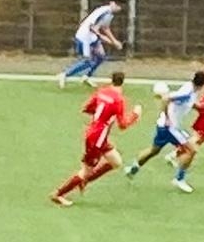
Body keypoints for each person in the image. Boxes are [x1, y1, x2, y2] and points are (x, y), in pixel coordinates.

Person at [50, 71, 141, 206]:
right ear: (123, 83)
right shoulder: (119, 100)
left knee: (116, 162)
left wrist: (102, 115)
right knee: (85, 171)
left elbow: (87, 108)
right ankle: (58, 194)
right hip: (97, 138)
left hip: (97, 134)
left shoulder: (102, 92)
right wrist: (135, 115)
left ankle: (85, 180)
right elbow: (122, 125)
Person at [124, 72, 204, 192]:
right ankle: (179, 179)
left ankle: (133, 168)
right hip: (170, 128)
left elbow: (186, 101)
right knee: (192, 149)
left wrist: (200, 107)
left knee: (154, 150)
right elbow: (166, 98)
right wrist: (167, 118)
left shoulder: (190, 89)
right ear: (201, 85)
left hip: (164, 126)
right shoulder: (187, 92)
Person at [58, 0, 125, 87]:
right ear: (111, 3)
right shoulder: (103, 11)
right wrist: (109, 40)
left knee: (101, 57)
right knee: (88, 61)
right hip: (85, 38)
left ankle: (86, 77)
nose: (118, 7)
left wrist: (114, 41)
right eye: (116, 4)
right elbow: (92, 28)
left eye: (120, 6)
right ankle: (65, 74)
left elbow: (105, 28)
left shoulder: (110, 14)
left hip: (92, 37)